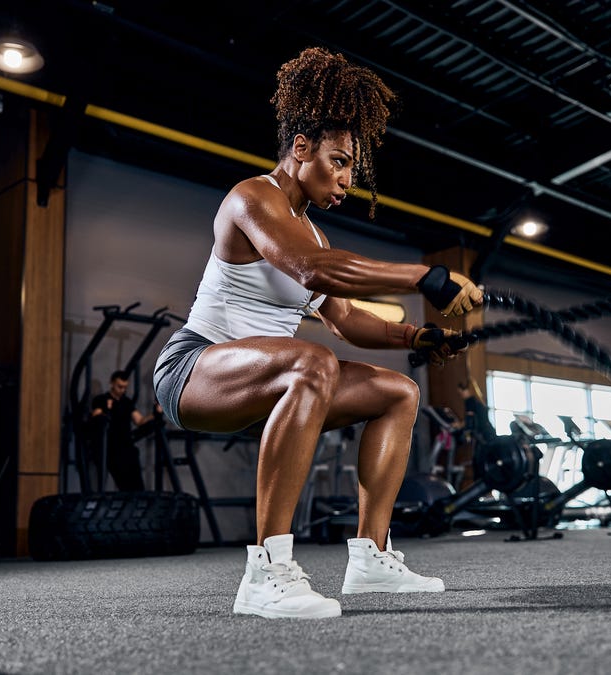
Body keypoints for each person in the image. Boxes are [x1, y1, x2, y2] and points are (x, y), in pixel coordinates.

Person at [153, 46, 483, 619]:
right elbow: (311, 271)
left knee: (397, 393)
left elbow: (348, 319)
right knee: (312, 361)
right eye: (338, 160)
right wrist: (423, 277)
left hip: (266, 376)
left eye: (352, 166)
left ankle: (370, 558)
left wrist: (416, 340)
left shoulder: (315, 235)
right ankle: (266, 571)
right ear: (300, 148)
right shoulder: (253, 197)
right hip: (194, 370)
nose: (347, 179)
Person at [90, 370, 158, 492]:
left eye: (125, 387)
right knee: (123, 483)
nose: (122, 390)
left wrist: (156, 413)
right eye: (119, 386)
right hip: (111, 448)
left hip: (127, 446)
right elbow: (96, 417)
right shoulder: (101, 399)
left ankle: (138, 502)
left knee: (137, 483)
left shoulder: (126, 402)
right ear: (112, 383)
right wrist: (107, 408)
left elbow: (140, 420)